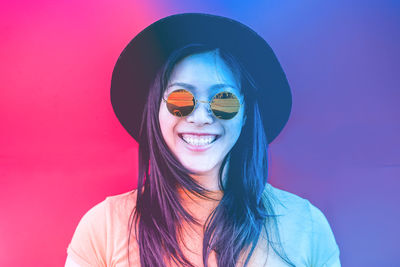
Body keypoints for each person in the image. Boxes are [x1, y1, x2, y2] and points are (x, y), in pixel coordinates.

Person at [65, 13, 340, 267]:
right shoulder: (104, 228)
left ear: (245, 114)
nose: (201, 117)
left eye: (223, 100)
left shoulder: (305, 226)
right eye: (181, 99)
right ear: (155, 110)